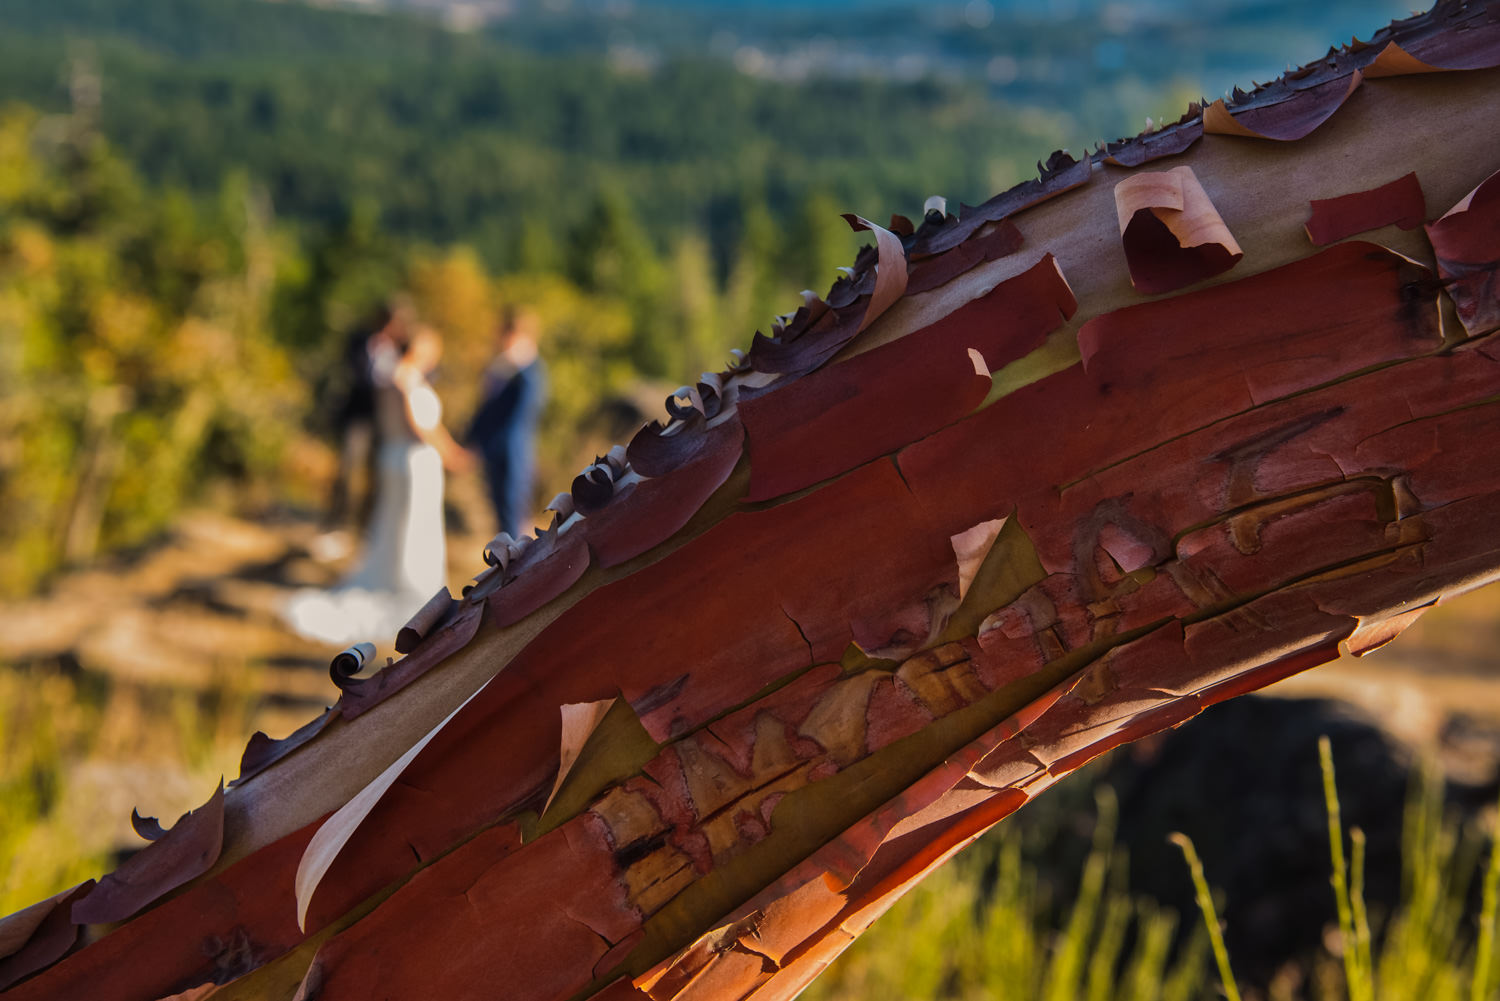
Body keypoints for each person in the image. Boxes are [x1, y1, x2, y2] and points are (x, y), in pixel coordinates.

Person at [287, 325, 472, 646]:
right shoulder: (405, 379)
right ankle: (412, 586)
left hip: (393, 457)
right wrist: (452, 453)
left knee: (395, 521)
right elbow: (421, 428)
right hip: (413, 462)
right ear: (418, 349)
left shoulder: (390, 377)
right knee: (413, 523)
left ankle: (403, 577)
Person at [466, 306, 547, 537]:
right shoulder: (500, 368)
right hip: (494, 453)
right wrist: (474, 441)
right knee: (500, 515)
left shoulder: (531, 372)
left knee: (513, 514)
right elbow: (486, 409)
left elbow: (522, 416)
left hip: (514, 454)